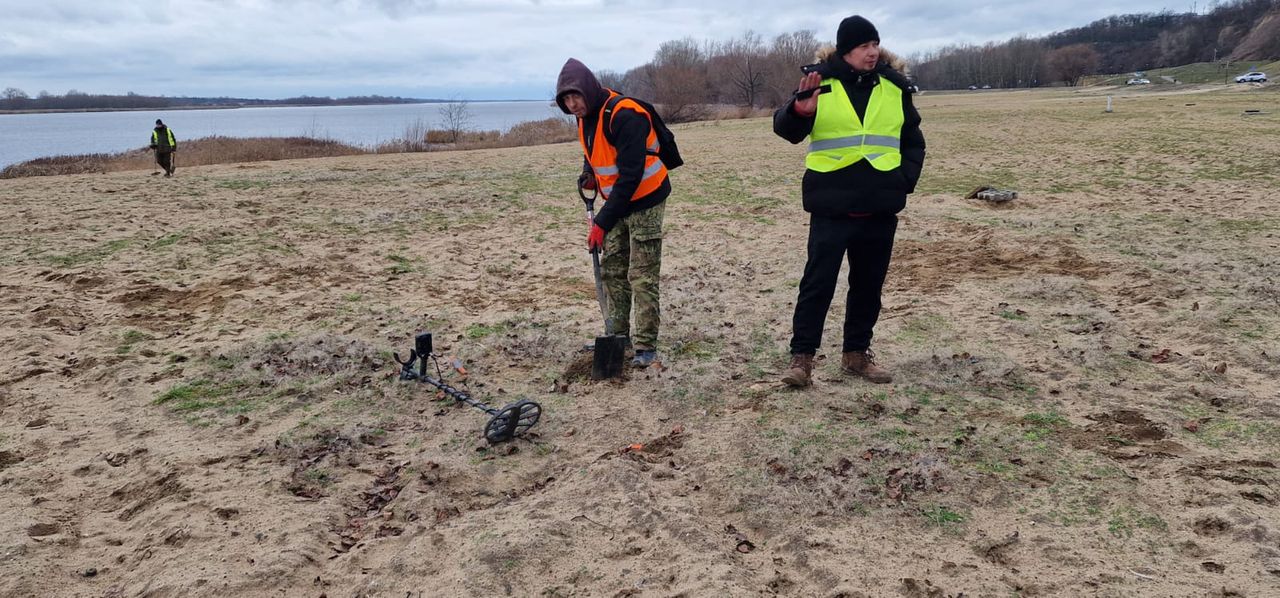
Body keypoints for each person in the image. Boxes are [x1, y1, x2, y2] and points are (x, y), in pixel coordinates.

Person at [773, 15, 926, 387]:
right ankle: (802, 360)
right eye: (863, 46)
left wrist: (903, 180)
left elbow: (913, 140)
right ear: (846, 50)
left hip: (880, 205)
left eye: (875, 44)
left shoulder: (895, 87)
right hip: (832, 206)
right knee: (817, 285)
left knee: (869, 285)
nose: (872, 52)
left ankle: (857, 355)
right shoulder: (819, 84)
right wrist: (799, 111)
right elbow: (785, 129)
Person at [555, 58, 671, 368]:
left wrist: (602, 223)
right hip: (618, 200)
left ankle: (647, 345)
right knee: (612, 269)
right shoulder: (584, 117)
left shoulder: (625, 115)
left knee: (641, 274)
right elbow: (593, 150)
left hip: (645, 197)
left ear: (589, 89)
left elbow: (631, 177)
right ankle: (618, 335)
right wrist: (588, 172)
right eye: (566, 99)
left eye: (575, 96)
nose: (572, 104)